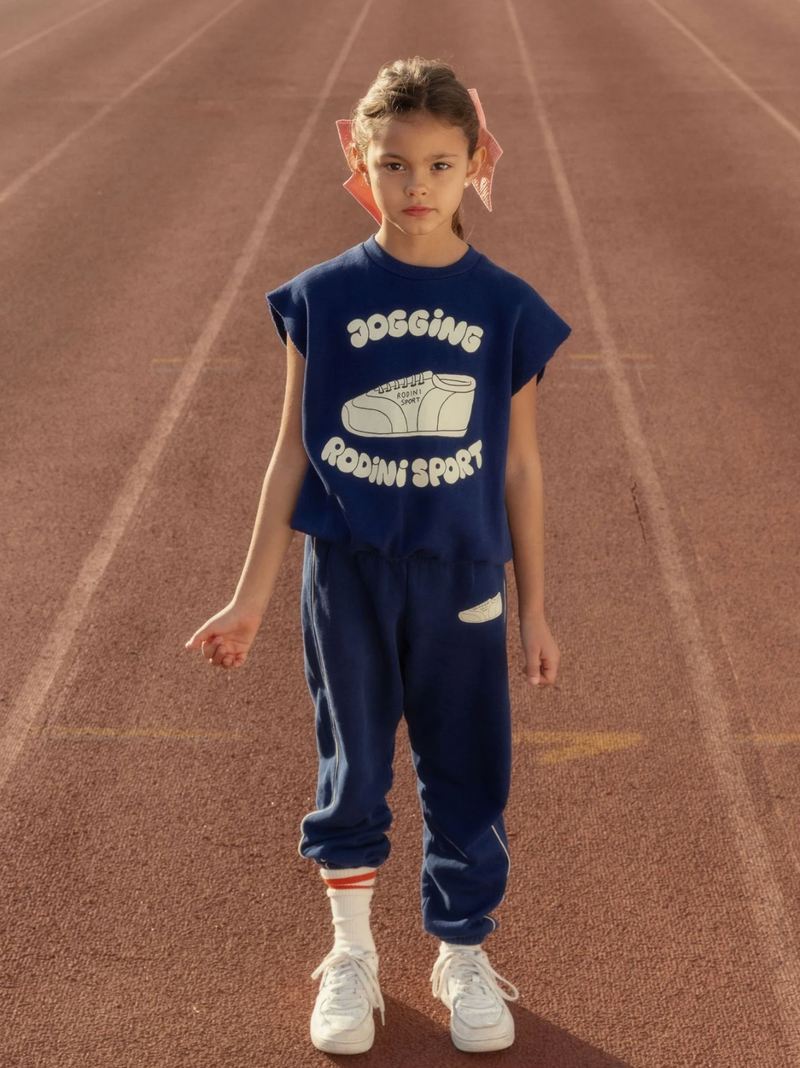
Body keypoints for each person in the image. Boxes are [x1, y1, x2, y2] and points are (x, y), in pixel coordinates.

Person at [185, 55, 572, 1056]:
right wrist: (248, 598)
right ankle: (349, 953)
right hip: (347, 575)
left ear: (473, 165)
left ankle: (458, 952)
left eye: (439, 166)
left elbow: (521, 468)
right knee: (352, 767)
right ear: (361, 161)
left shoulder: (505, 307)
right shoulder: (319, 298)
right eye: (394, 165)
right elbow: (289, 453)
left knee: (465, 769)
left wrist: (534, 607)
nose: (416, 188)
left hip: (459, 572)